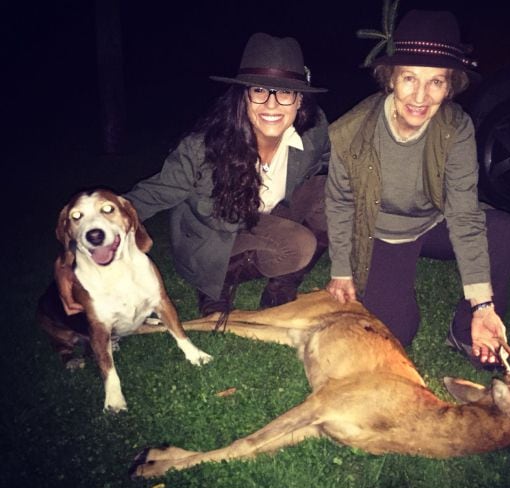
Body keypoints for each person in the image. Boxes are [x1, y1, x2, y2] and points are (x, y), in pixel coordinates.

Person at [56, 32, 330, 318]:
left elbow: (335, 159)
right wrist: (72, 255)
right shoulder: (202, 148)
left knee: (327, 190)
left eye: (285, 93)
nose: (271, 105)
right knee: (298, 244)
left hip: (268, 217)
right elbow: (153, 193)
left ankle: (282, 285)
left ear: (300, 101)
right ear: (242, 97)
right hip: (215, 236)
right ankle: (216, 283)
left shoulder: (313, 132)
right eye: (259, 90)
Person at [325, 10, 510, 367]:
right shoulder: (351, 131)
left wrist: (483, 305)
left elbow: (463, 213)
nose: (420, 96)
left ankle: (467, 332)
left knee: (505, 232)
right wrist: (341, 269)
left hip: (434, 223)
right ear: (390, 79)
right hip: (383, 233)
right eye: (409, 78)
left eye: (436, 82)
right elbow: (339, 202)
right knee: (396, 331)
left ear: (450, 86)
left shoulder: (456, 128)